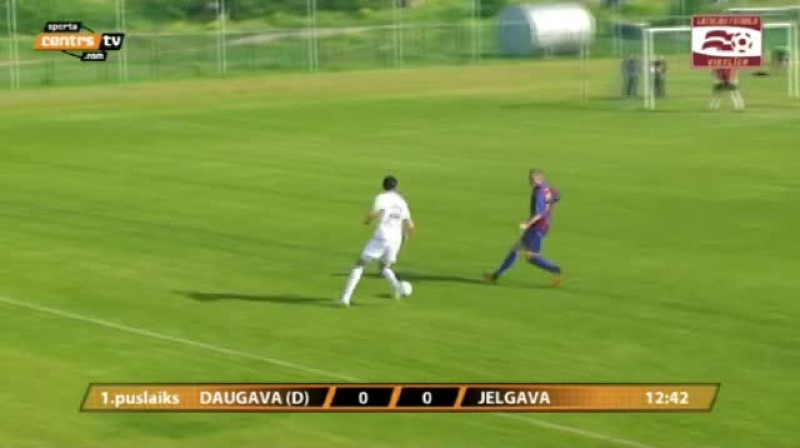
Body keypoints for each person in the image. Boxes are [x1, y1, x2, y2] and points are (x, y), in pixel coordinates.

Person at [340, 175, 415, 307]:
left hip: (382, 237)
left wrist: (367, 220)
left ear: (383, 186)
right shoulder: (402, 201)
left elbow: (377, 213)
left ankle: (345, 298)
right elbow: (411, 225)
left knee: (360, 264)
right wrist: (405, 237)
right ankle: (398, 287)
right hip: (395, 239)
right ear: (396, 186)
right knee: (384, 267)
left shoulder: (381, 198)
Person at [484, 169, 562, 286]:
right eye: (530, 179)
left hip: (537, 227)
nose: (531, 182)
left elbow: (539, 213)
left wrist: (527, 224)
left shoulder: (538, 192)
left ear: (540, 179)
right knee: (515, 249)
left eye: (533, 180)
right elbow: (558, 196)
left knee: (531, 257)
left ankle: (556, 270)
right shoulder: (548, 188)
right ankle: (496, 275)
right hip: (543, 225)